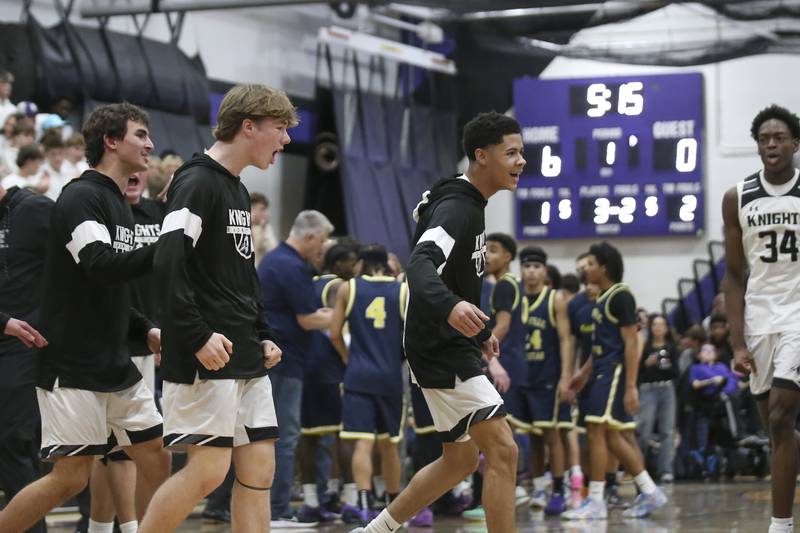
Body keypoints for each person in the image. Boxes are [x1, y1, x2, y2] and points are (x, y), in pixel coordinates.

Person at [0, 102, 171, 533]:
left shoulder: (116, 201)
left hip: (115, 361)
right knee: (69, 479)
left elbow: (107, 288)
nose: (150, 143)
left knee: (156, 456)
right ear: (111, 141)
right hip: (72, 365)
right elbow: (99, 264)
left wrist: (144, 328)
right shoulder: (80, 196)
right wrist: (171, 246)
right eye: (139, 134)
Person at [352, 111, 525, 533]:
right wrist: (451, 308)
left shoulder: (468, 203)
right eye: (513, 153)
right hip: (439, 346)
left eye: (522, 152)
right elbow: (420, 265)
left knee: (461, 459)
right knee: (504, 452)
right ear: (481, 156)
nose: (522, 161)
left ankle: (374, 530)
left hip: (447, 343)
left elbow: (454, 277)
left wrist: (479, 332)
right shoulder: (457, 207)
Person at [139, 85, 294, 533]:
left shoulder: (236, 189)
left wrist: (263, 331)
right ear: (249, 125)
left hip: (244, 349)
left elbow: (243, 275)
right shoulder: (197, 180)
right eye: (280, 128)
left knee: (260, 469)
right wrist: (196, 334)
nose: (285, 141)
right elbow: (168, 262)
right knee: (208, 472)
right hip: (209, 350)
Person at [722, 104, 800, 533]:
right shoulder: (737, 197)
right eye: (764, 138)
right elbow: (734, 275)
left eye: (779, 137)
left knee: (781, 417)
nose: (771, 144)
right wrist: (736, 342)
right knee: (776, 429)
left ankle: (780, 524)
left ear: (795, 144)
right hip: (759, 317)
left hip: (799, 316)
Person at [565, 242, 667, 520]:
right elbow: (600, 345)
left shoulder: (621, 296)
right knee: (610, 435)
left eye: (590, 264)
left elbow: (631, 344)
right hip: (600, 370)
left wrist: (631, 386)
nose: (586, 269)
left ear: (604, 267)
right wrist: (582, 374)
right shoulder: (602, 298)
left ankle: (596, 500)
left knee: (598, 431)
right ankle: (649, 491)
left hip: (614, 372)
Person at [257, 209, 334, 527]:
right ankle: (278, 510)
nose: (323, 248)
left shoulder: (275, 259)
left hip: (279, 357)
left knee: (274, 436)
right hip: (284, 361)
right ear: (311, 236)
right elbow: (307, 318)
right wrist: (343, 312)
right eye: (323, 241)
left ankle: (273, 508)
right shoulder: (291, 265)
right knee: (285, 436)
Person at [330, 244, 406, 524]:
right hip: (390, 377)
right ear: (387, 264)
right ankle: (395, 504)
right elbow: (411, 337)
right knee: (390, 445)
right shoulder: (402, 290)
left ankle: (363, 502)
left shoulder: (348, 289)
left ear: (361, 263)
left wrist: (349, 358)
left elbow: (335, 333)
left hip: (358, 376)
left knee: (362, 443)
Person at [0, 180, 53, 533]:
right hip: (7, 332)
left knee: (16, 442)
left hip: (24, 346)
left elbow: (74, 269)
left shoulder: (34, 210)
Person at [295, 243, 358, 524]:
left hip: (306, 366)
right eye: (352, 262)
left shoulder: (308, 283)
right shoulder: (340, 288)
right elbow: (338, 330)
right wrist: (350, 359)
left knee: (308, 436)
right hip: (333, 367)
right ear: (340, 263)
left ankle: (311, 501)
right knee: (344, 436)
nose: (356, 268)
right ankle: (351, 502)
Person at [517, 246, 574, 516]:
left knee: (553, 435)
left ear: (545, 271)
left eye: (536, 267)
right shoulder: (515, 297)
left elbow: (566, 339)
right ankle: (539, 486)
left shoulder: (555, 299)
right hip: (524, 377)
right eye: (527, 267)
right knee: (534, 437)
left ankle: (560, 490)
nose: (531, 271)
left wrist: (566, 376)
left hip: (548, 378)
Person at [637, 313, 679, 483]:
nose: (658, 327)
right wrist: (647, 363)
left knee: (667, 431)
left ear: (666, 328)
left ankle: (666, 470)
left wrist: (666, 364)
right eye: (655, 324)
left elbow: (676, 372)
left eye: (662, 324)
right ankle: (640, 468)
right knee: (644, 429)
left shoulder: (671, 347)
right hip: (648, 389)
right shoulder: (644, 347)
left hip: (667, 388)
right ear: (650, 327)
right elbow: (638, 372)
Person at [250, 192, 278, 266]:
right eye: (262, 209)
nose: (266, 214)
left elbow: (273, 251)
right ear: (252, 209)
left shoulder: (265, 228)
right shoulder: (244, 227)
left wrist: (263, 229)